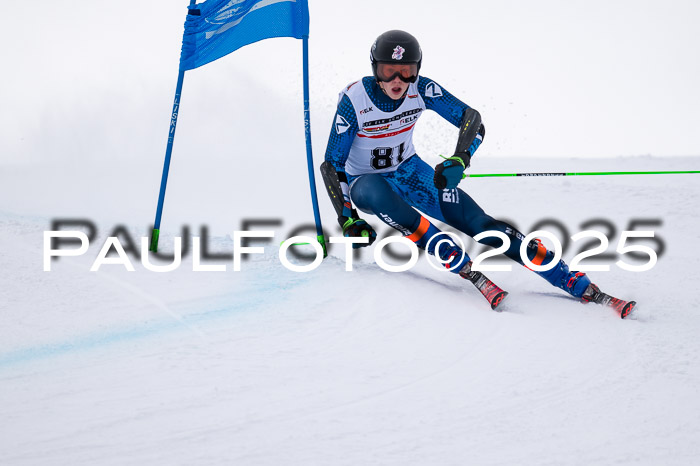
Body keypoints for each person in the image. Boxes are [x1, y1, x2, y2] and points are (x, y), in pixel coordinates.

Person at [320, 30, 632, 315]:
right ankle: (450, 254)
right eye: (389, 71)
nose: (398, 80)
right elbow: (332, 164)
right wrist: (347, 217)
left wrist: (460, 159)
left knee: (480, 224)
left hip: (410, 172)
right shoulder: (355, 99)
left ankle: (567, 278)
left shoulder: (423, 88)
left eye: (407, 71)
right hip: (365, 182)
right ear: (376, 69)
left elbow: (472, 119)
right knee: (378, 193)